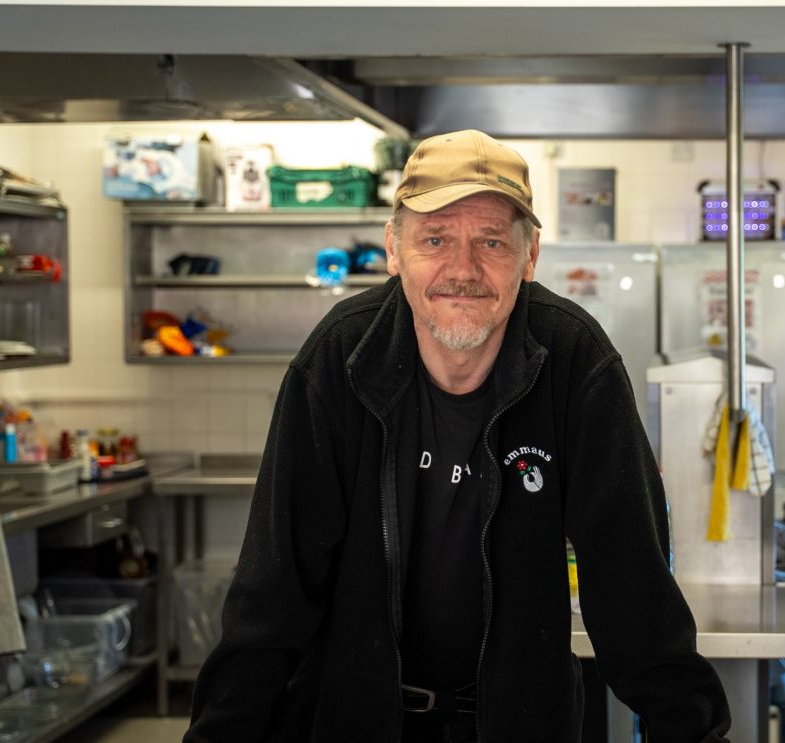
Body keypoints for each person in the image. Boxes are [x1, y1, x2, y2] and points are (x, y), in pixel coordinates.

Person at [185, 129, 731, 742]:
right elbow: (274, 586)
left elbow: (632, 584)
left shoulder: (574, 360)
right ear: (396, 250)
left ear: (530, 256)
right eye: (436, 239)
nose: (463, 270)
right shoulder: (342, 358)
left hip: (522, 722)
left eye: (491, 241)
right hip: (355, 716)